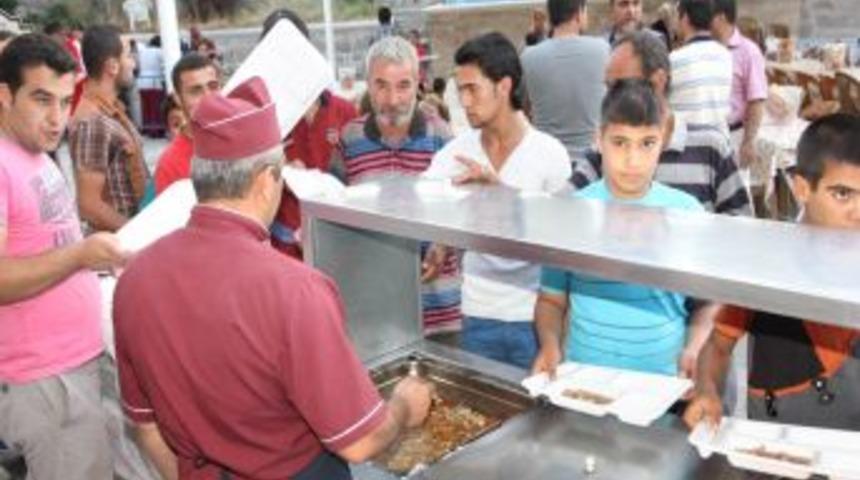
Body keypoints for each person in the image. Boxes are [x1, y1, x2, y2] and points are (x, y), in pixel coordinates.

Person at [113, 77, 434, 480]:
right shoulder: (296, 289)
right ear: (267, 180)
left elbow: (146, 426)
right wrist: (405, 406)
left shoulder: (136, 279)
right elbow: (360, 442)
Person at [0, 33, 128, 480]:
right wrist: (79, 256)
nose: (57, 118)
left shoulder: (34, 152)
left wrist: (96, 259)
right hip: (46, 381)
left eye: (63, 100)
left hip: (78, 362)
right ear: (4, 95)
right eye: (41, 100)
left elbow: (47, 242)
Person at [684, 113, 860, 432]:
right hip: (778, 444)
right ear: (803, 188)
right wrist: (708, 391)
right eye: (842, 194)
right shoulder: (767, 263)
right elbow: (718, 347)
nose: (858, 213)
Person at [533, 80, 711, 378]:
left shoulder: (688, 213)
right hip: (583, 380)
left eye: (647, 143)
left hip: (663, 386)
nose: (633, 160)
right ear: (599, 140)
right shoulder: (571, 213)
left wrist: (694, 348)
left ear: (663, 140)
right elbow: (551, 300)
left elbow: (707, 305)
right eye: (620, 142)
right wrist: (550, 345)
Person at [425, 32, 572, 369]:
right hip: (478, 311)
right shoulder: (458, 152)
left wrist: (502, 195)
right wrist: (439, 244)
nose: (464, 101)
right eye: (460, 90)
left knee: (541, 417)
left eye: (472, 88)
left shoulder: (550, 154)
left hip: (536, 315)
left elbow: (563, 236)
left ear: (504, 86)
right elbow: (419, 198)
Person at [335, 36, 463, 336]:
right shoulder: (350, 139)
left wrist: (442, 244)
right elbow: (335, 210)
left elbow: (463, 212)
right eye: (381, 85)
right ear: (367, 83)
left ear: (419, 82)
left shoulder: (442, 137)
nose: (393, 99)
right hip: (374, 314)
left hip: (439, 313)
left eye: (403, 85)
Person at [572, 31, 753, 216]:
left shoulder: (711, 148)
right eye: (608, 87)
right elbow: (564, 211)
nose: (611, 97)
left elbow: (739, 226)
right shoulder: (600, 153)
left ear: (658, 81)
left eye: (620, 86)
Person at [260, 8, 359, 259]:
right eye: (277, 55)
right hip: (283, 250)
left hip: (339, 242)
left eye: (293, 52)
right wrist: (278, 171)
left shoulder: (344, 111)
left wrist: (315, 183)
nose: (286, 63)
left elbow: (360, 179)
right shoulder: (262, 120)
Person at [69, 25, 149, 233]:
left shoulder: (110, 109)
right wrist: (138, 234)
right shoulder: (93, 122)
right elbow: (89, 206)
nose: (133, 63)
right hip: (119, 249)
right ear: (112, 66)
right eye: (129, 55)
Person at [522, 0, 609, 163]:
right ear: (578, 14)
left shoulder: (528, 57)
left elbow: (523, 111)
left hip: (546, 160)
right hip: (593, 161)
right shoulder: (602, 49)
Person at [711, 0, 768, 169]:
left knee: (736, 193)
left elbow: (756, 100)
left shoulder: (749, 52)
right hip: (708, 136)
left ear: (720, 17)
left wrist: (748, 142)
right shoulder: (707, 48)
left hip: (735, 135)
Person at [153, 53, 221, 194]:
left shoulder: (242, 137)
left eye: (213, 86)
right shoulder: (169, 165)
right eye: (196, 91)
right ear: (178, 98)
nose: (208, 97)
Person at [669, 0, 733, 137]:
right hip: (720, 147)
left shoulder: (674, 60)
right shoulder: (726, 56)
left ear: (685, 18)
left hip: (688, 150)